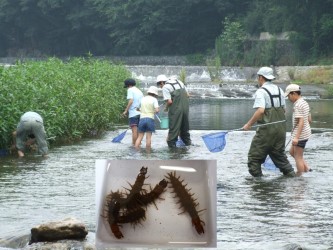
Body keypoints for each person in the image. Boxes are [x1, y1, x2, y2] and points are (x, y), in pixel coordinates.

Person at [243, 67, 295, 177]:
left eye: (258, 77)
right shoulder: (280, 90)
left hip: (266, 130)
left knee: (254, 159)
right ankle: (292, 178)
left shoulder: (261, 91)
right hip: (281, 129)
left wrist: (248, 124)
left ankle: (260, 185)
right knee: (280, 157)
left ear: (261, 77)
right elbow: (284, 110)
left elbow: (261, 110)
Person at [156, 75, 191, 148]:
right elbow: (188, 95)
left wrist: (166, 108)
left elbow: (169, 102)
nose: (160, 87)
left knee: (173, 129)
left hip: (175, 110)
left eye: (159, 85)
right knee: (184, 129)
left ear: (162, 82)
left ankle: (172, 150)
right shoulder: (179, 82)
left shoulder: (165, 87)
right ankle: (188, 146)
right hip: (185, 109)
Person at [285, 83, 312, 175]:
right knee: (292, 152)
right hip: (305, 132)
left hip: (300, 135)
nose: (288, 98)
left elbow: (301, 121)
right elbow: (309, 119)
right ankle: (307, 168)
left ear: (294, 94)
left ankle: (300, 177)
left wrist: (296, 137)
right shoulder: (304, 102)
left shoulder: (298, 105)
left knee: (298, 157)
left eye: (288, 96)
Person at [122, 78, 144, 145]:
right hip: (141, 113)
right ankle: (138, 144)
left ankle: (134, 146)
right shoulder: (139, 91)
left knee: (134, 131)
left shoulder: (130, 90)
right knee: (139, 131)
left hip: (133, 113)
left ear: (128, 85)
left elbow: (131, 101)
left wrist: (126, 110)